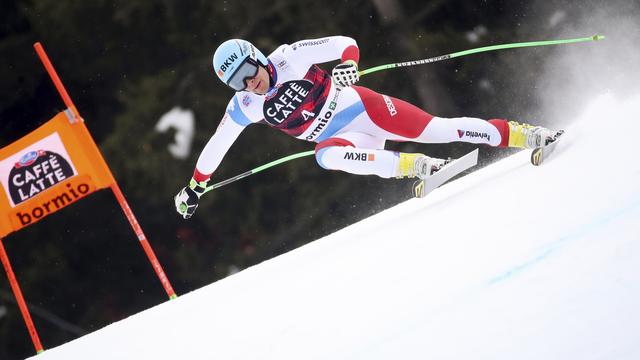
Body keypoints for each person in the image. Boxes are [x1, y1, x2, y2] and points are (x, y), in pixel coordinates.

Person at [174, 36, 560, 219]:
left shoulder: (289, 57)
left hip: (366, 109)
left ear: (256, 58)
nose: (250, 83)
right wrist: (195, 186)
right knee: (325, 156)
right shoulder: (245, 105)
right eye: (237, 82)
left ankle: (526, 135)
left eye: (248, 72)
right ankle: (418, 165)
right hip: (343, 139)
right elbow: (217, 145)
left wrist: (349, 64)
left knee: (443, 129)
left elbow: (345, 43)